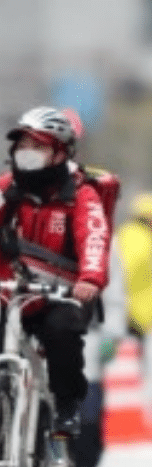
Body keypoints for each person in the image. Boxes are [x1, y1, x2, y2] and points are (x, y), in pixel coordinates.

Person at [0, 106, 112, 438]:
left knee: (62, 332)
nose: (27, 154)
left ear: (59, 152)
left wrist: (90, 280)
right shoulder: (6, 189)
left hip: (59, 295)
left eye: (37, 146)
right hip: (11, 291)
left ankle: (67, 407)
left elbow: (94, 237)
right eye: (22, 146)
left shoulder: (81, 194)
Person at [68, 245, 127, 467]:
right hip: (44, 330)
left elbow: (114, 296)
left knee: (88, 406)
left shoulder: (101, 243)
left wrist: (112, 335)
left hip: (88, 335)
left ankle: (86, 465)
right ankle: (56, 459)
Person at [116, 192, 152, 426]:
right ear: (150, 218)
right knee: (139, 374)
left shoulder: (138, 237)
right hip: (133, 319)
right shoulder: (137, 240)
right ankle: (142, 421)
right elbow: (124, 277)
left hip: (139, 318)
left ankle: (143, 419)